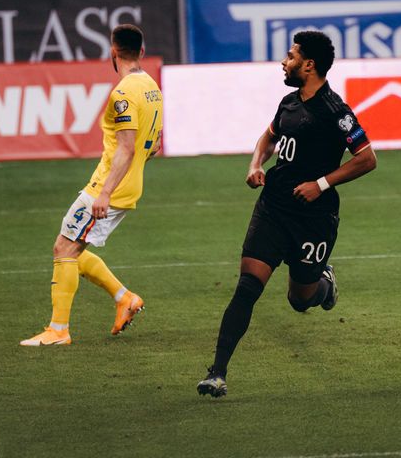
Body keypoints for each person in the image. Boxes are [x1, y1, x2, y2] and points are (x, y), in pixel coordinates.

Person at [197, 31, 377, 397]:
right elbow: (268, 138)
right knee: (248, 287)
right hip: (273, 208)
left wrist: (321, 183)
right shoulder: (288, 103)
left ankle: (324, 283)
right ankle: (217, 373)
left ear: (308, 65)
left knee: (300, 300)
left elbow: (367, 158)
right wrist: (254, 164)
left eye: (291, 55)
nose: (284, 60)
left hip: (314, 217)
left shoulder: (336, 112)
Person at [21, 24, 162, 346]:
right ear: (141, 51)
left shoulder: (123, 93)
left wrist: (106, 192)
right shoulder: (151, 87)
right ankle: (124, 298)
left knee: (64, 248)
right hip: (131, 181)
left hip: (110, 185)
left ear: (113, 52)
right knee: (75, 248)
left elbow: (127, 147)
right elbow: (152, 145)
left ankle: (58, 330)